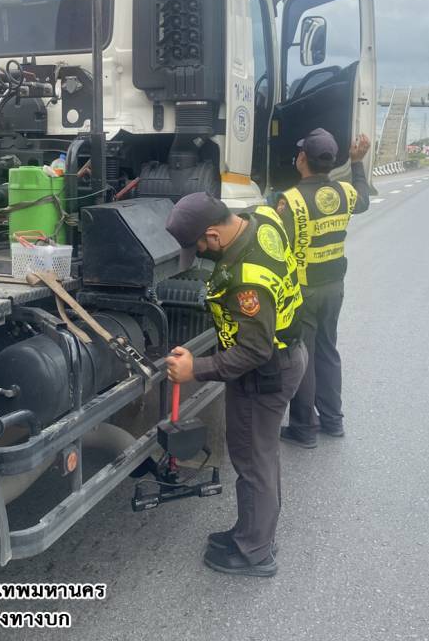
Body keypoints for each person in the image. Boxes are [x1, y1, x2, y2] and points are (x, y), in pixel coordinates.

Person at [164, 192, 306, 578]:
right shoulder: (261, 217)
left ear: (213, 234)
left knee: (254, 460)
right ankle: (254, 532)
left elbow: (255, 351)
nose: (200, 254)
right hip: (282, 355)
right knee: (260, 455)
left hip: (266, 372)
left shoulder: (248, 282)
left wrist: (196, 369)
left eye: (199, 246)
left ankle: (254, 552)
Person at [277, 128, 370, 447]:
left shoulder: (290, 200)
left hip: (304, 291)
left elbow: (280, 246)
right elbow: (364, 200)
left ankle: (304, 428)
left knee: (303, 355)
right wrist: (357, 163)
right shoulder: (345, 192)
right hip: (334, 286)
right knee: (328, 350)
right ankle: (332, 420)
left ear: (302, 159)